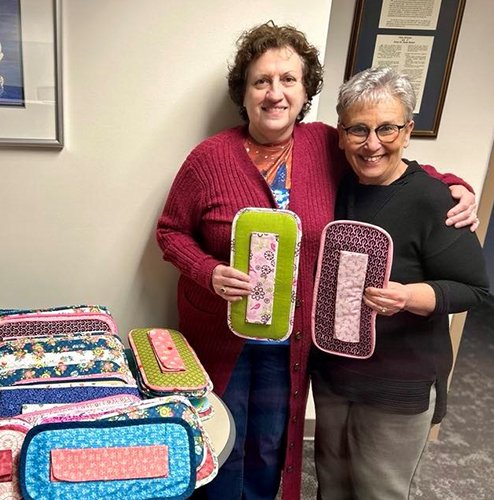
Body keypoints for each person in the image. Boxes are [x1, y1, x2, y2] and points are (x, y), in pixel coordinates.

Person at [155, 22, 478, 500]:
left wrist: (455, 184)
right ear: (243, 92)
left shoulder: (325, 144)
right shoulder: (208, 158)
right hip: (223, 334)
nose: (275, 93)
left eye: (289, 80)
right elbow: (170, 231)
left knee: (271, 444)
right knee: (221, 443)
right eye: (261, 81)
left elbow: (389, 158)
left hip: (293, 340)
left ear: (305, 92)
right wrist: (208, 272)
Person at [310, 67, 488, 500]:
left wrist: (410, 296)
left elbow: (476, 290)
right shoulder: (335, 184)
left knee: (379, 491)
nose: (372, 143)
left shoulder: (433, 199)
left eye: (386, 128)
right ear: (341, 134)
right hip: (334, 372)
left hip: (399, 383)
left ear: (407, 131)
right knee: (330, 484)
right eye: (359, 129)